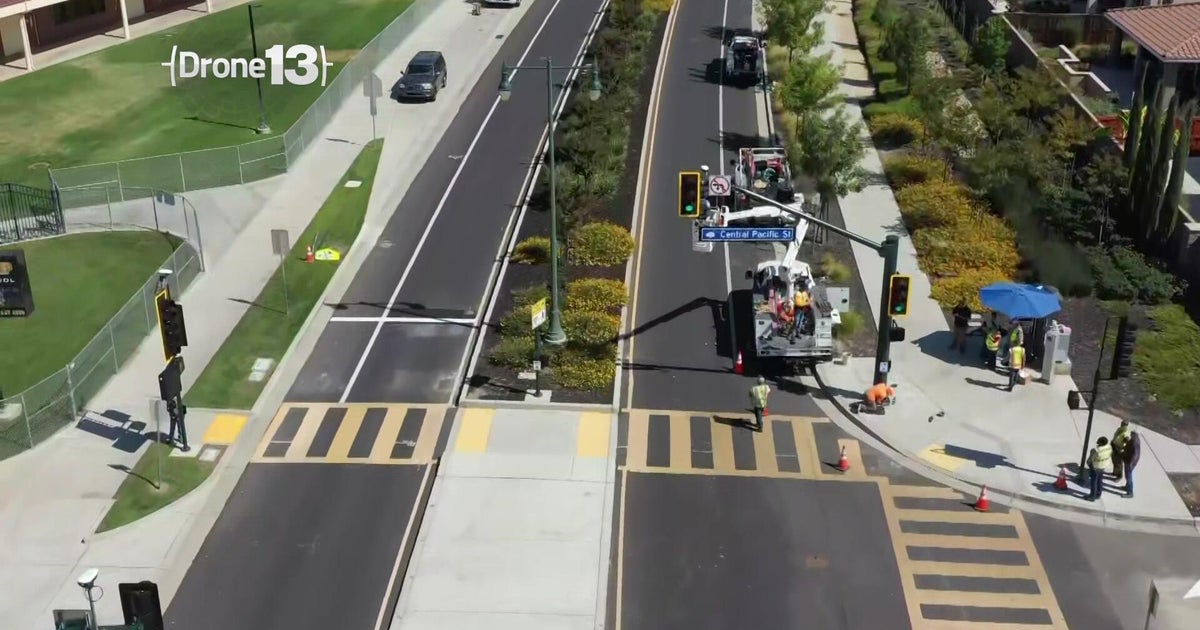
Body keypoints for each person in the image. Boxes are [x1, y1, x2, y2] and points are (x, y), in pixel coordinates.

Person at [1088, 436, 1113, 501]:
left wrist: (1089, 463)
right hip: (1103, 466)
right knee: (1099, 481)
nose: (1097, 443)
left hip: (1096, 467)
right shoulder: (1109, 448)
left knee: (1094, 482)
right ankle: (1098, 494)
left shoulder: (1096, 450)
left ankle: (1092, 496)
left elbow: (1091, 459)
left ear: (1101, 443)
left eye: (1098, 442)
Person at [1123, 431, 1141, 497]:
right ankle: (1127, 487)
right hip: (1127, 460)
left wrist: (1131, 463)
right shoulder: (1133, 440)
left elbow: (1135, 454)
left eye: (1131, 434)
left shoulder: (1135, 443)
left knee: (1129, 476)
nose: (1130, 435)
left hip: (1130, 462)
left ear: (1134, 435)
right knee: (1127, 475)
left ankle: (1130, 492)